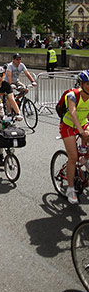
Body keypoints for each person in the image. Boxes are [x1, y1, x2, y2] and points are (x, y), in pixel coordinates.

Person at [59, 70, 89, 204]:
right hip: (68, 125)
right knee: (73, 157)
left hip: (83, 124)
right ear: (81, 84)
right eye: (87, 84)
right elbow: (73, 113)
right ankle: (70, 188)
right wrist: (80, 131)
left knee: (84, 148)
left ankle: (84, 154)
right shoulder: (73, 95)